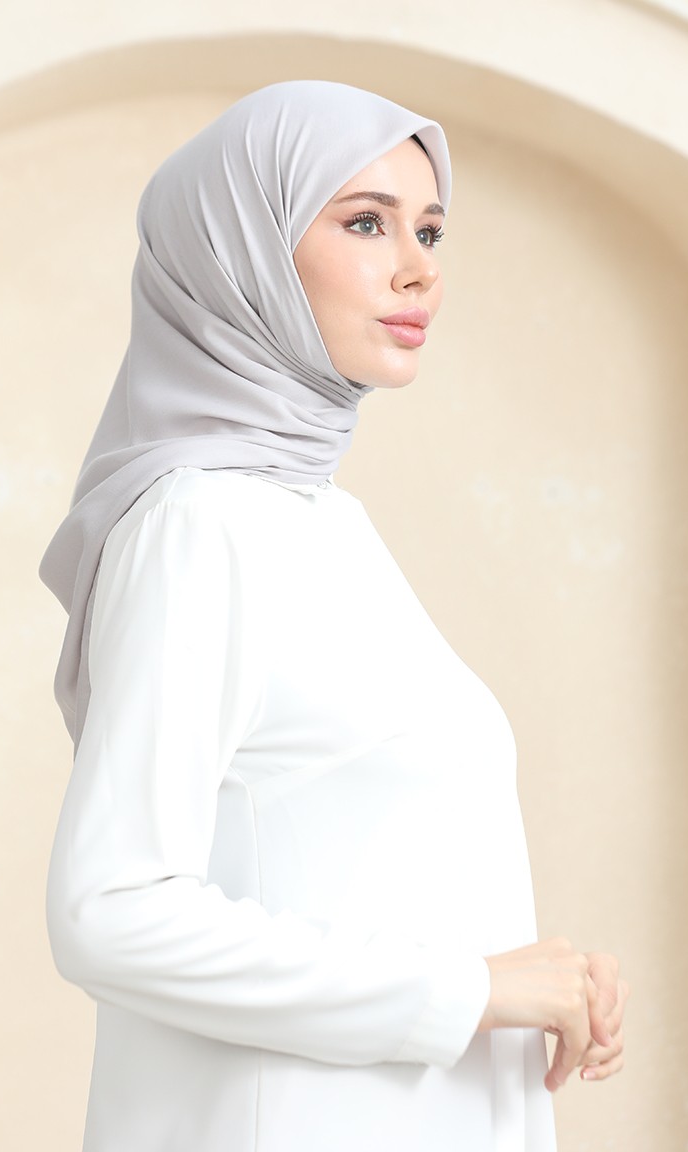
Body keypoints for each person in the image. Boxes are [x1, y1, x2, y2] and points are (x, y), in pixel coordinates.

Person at [41, 80, 627, 1151]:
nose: (419, 268)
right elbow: (110, 912)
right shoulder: (199, 520)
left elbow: (355, 859)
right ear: (241, 251)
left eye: (430, 230)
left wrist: (540, 978)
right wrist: (471, 989)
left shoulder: (322, 522)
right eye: (365, 222)